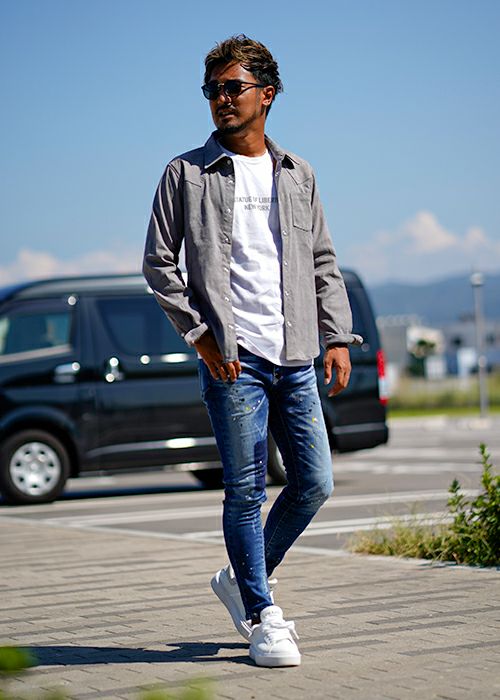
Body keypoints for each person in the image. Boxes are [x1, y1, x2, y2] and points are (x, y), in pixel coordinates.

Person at [143, 34, 362, 668]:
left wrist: (336, 336)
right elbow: (159, 264)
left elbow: (323, 261)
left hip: (295, 356)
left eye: (231, 87)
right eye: (211, 90)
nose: (220, 98)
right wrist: (201, 335)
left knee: (314, 483)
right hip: (233, 361)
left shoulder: (297, 173)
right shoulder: (185, 174)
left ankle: (241, 578)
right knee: (244, 492)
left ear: (266, 94)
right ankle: (265, 616)